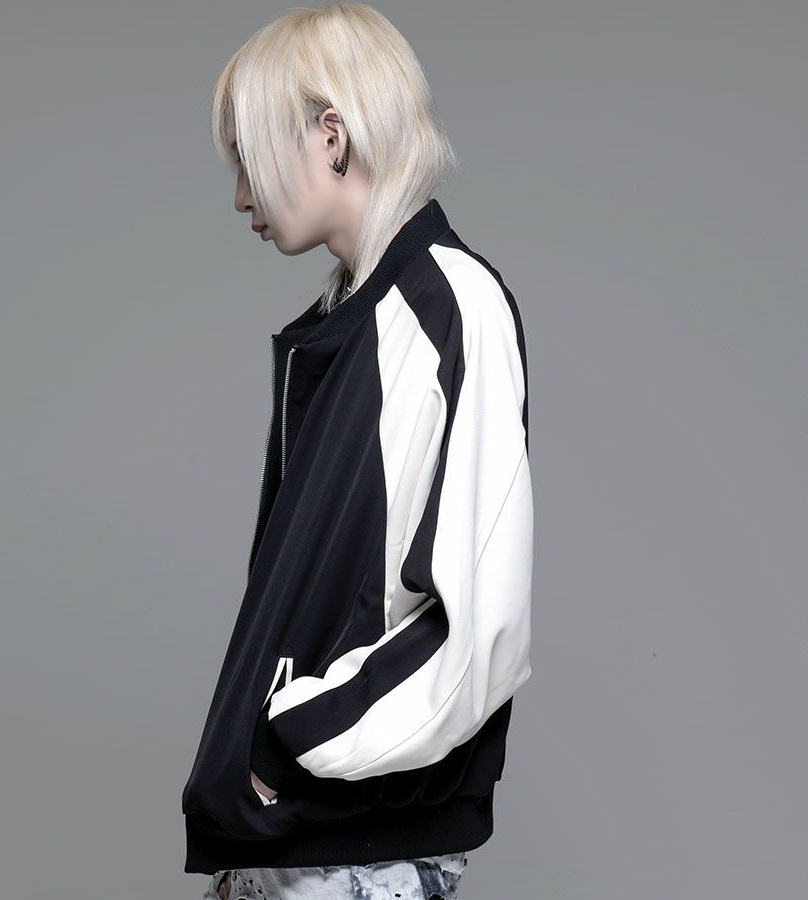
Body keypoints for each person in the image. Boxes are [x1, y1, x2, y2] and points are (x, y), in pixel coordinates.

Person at [183, 4, 533, 898]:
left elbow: (479, 632)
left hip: (355, 847)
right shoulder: (348, 323)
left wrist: (283, 746)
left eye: (248, 158)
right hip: (291, 843)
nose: (240, 197)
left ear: (331, 137)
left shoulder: (451, 306)